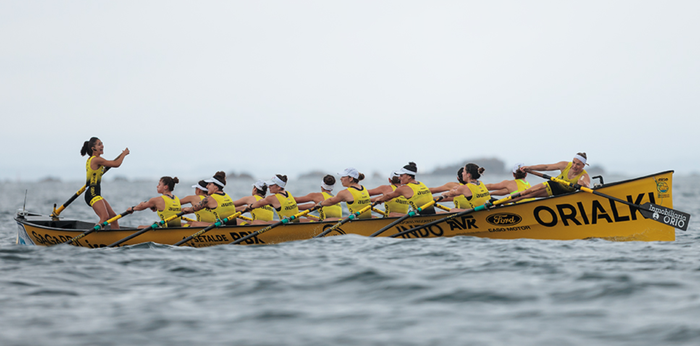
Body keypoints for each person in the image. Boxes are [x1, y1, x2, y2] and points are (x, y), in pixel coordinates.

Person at [80, 137, 130, 229]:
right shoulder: (96, 159)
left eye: (102, 143)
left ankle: (116, 238)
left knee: (114, 218)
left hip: (94, 193)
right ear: (93, 148)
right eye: (99, 144)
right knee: (105, 217)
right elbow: (116, 164)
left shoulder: (92, 160)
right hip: (92, 194)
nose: (102, 146)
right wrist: (124, 154)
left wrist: (120, 156)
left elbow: (101, 171)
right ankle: (95, 237)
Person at [518, 152, 591, 199]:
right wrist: (529, 167)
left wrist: (583, 185)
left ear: (583, 165)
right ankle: (507, 202)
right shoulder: (565, 165)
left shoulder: (584, 176)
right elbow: (546, 167)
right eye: (573, 162)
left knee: (528, 195)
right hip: (553, 186)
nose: (574, 166)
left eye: (578, 164)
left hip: (566, 195)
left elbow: (588, 188)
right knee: (527, 194)